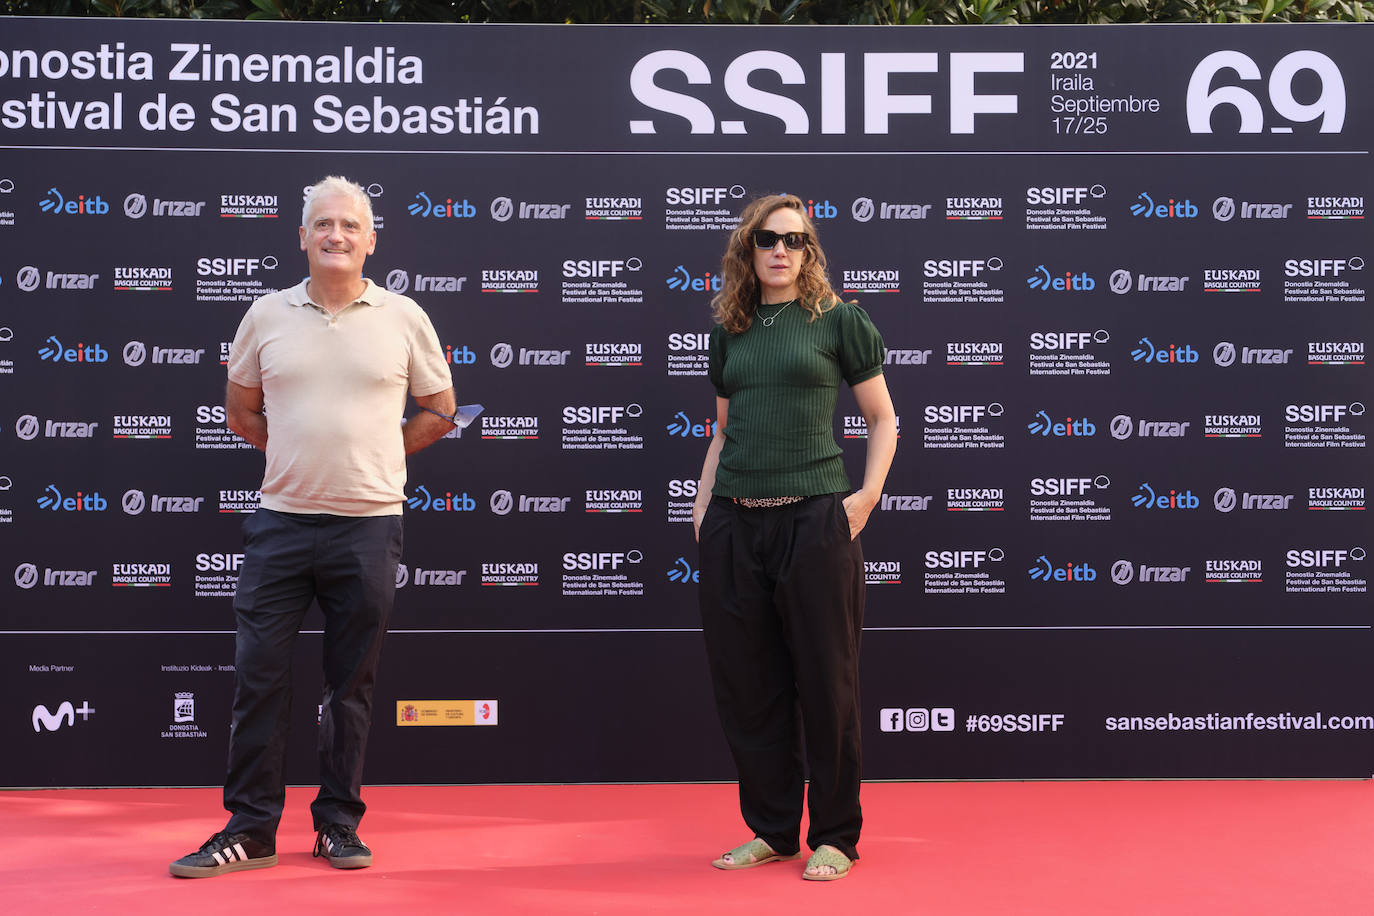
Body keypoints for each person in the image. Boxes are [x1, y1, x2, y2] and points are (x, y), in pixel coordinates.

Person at [170, 176, 459, 878]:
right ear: (301, 236)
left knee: (349, 686)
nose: (336, 235)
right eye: (322, 224)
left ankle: (337, 823)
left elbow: (440, 408)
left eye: (349, 226)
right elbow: (240, 410)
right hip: (281, 526)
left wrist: (378, 456)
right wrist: (295, 456)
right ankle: (250, 828)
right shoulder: (266, 314)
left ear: (371, 240)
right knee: (258, 678)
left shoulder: (403, 316)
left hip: (368, 528)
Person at [692, 194, 897, 882]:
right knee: (749, 688)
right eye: (767, 239)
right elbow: (723, 431)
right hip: (734, 522)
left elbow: (883, 417)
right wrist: (702, 509)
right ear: (747, 251)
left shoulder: (839, 321)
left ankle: (835, 833)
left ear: (810, 252)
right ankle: (774, 831)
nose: (781, 250)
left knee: (827, 682)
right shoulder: (731, 328)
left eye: (796, 240)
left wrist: (865, 497)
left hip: (815, 520)